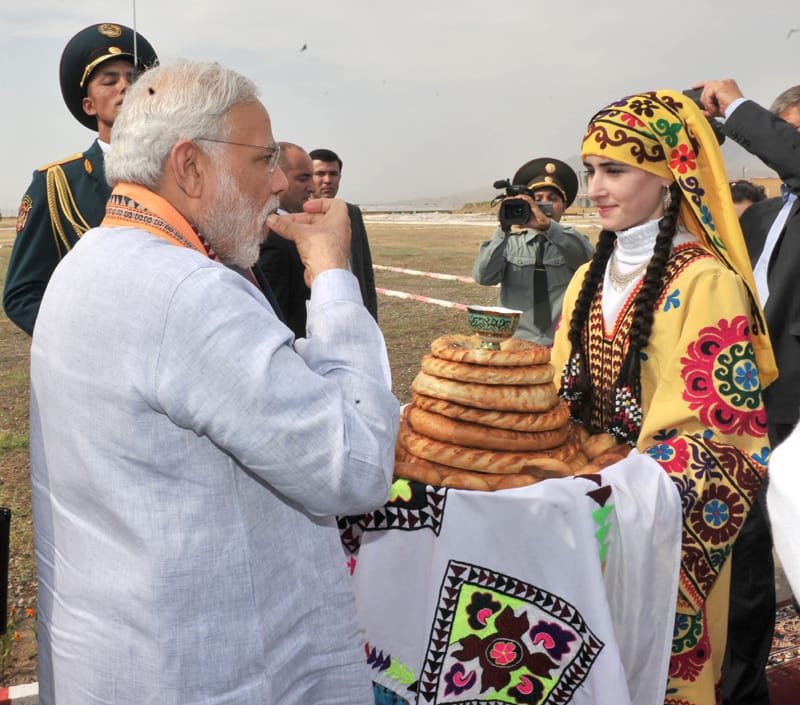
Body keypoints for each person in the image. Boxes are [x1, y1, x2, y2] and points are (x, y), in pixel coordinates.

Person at [29, 59, 400, 705]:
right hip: (220, 669)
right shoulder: (189, 293)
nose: (282, 180)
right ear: (191, 167)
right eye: (262, 161)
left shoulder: (91, 258)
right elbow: (359, 465)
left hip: (130, 651)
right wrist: (334, 276)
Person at [551, 89, 776, 705]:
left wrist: (606, 489)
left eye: (615, 170)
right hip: (577, 515)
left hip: (656, 530)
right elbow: (556, 396)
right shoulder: (584, 277)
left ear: (671, 177)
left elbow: (717, 436)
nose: (594, 187)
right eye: (590, 170)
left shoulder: (707, 280)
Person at [696, 79, 800, 705]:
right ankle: (743, 690)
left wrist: (736, 110)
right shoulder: (759, 215)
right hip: (748, 413)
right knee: (746, 564)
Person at [3, 22, 158, 335]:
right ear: (89, 105)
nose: (125, 87)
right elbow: (23, 294)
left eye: (134, 78)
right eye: (109, 81)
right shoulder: (57, 183)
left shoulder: (177, 174)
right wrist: (84, 341)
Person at [471, 157, 594, 345]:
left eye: (552, 199)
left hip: (562, 344)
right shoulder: (509, 243)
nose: (543, 206)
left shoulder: (573, 242)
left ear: (565, 206)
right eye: (536, 200)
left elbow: (589, 263)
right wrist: (503, 229)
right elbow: (484, 277)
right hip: (514, 343)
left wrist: (548, 227)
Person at [310, 148, 378, 323]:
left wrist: (371, 319)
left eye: (333, 174)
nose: (327, 180)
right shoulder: (295, 216)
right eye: (320, 174)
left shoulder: (352, 213)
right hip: (316, 313)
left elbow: (364, 269)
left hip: (354, 307)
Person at [257, 142, 317, 337]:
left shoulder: (296, 227)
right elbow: (275, 316)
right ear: (277, 176)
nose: (312, 187)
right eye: (303, 178)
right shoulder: (271, 237)